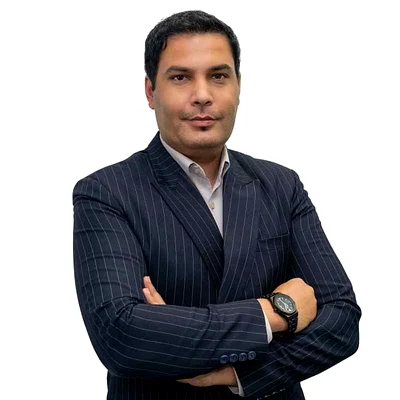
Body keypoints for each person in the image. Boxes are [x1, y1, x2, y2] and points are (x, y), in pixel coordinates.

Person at [73, 10, 361, 400]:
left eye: (218, 76)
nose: (203, 95)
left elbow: (341, 320)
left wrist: (239, 373)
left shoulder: (282, 185)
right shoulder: (107, 192)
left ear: (238, 87)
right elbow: (121, 336)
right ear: (150, 92)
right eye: (180, 77)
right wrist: (275, 312)